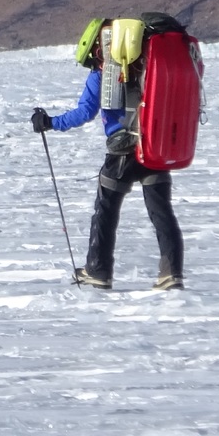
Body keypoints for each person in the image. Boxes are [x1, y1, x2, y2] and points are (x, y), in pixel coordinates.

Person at [31, 19, 185, 291]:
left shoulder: (103, 73)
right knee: (161, 212)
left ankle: (98, 271)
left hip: (122, 152)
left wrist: (50, 122)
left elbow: (84, 113)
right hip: (154, 148)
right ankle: (171, 274)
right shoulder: (151, 66)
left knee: (106, 211)